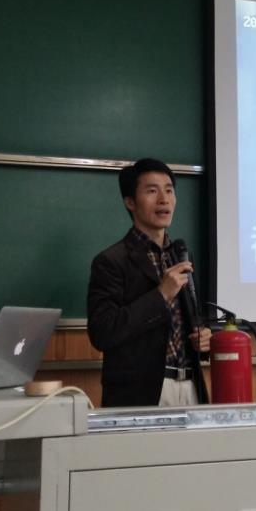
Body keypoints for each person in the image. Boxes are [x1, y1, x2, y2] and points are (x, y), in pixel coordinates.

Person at [87, 158, 211, 407]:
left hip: (191, 386)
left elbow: (188, 322)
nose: (164, 199)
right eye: (152, 191)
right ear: (130, 202)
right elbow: (103, 333)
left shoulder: (181, 254)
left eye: (169, 190)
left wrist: (203, 338)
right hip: (141, 393)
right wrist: (160, 295)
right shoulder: (111, 261)